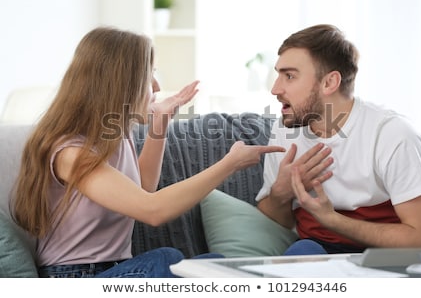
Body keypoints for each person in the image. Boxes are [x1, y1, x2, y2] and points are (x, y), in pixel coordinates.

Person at [10, 26, 285, 278]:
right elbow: (152, 210)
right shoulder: (71, 153)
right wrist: (229, 164)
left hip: (120, 270)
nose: (156, 87)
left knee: (213, 264)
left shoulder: (117, 134)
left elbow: (143, 189)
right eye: (149, 75)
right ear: (120, 84)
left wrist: (161, 122)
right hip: (77, 277)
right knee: (168, 259)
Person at [256, 24, 421, 255]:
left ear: (329, 83)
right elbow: (276, 220)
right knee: (301, 253)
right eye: (278, 74)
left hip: (382, 259)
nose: (275, 89)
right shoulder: (285, 130)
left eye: (289, 76)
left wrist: (332, 220)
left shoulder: (393, 135)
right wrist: (281, 193)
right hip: (313, 253)